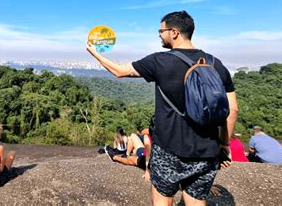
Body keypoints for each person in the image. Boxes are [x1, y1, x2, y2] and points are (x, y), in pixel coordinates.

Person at [87, 11, 238, 205]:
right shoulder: (216, 64)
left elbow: (119, 71)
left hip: (169, 150)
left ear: (174, 32)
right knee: (196, 201)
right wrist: (224, 144)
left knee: (162, 200)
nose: (159, 34)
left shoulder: (160, 61)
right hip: (206, 152)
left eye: (161, 30)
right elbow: (232, 110)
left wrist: (94, 53)